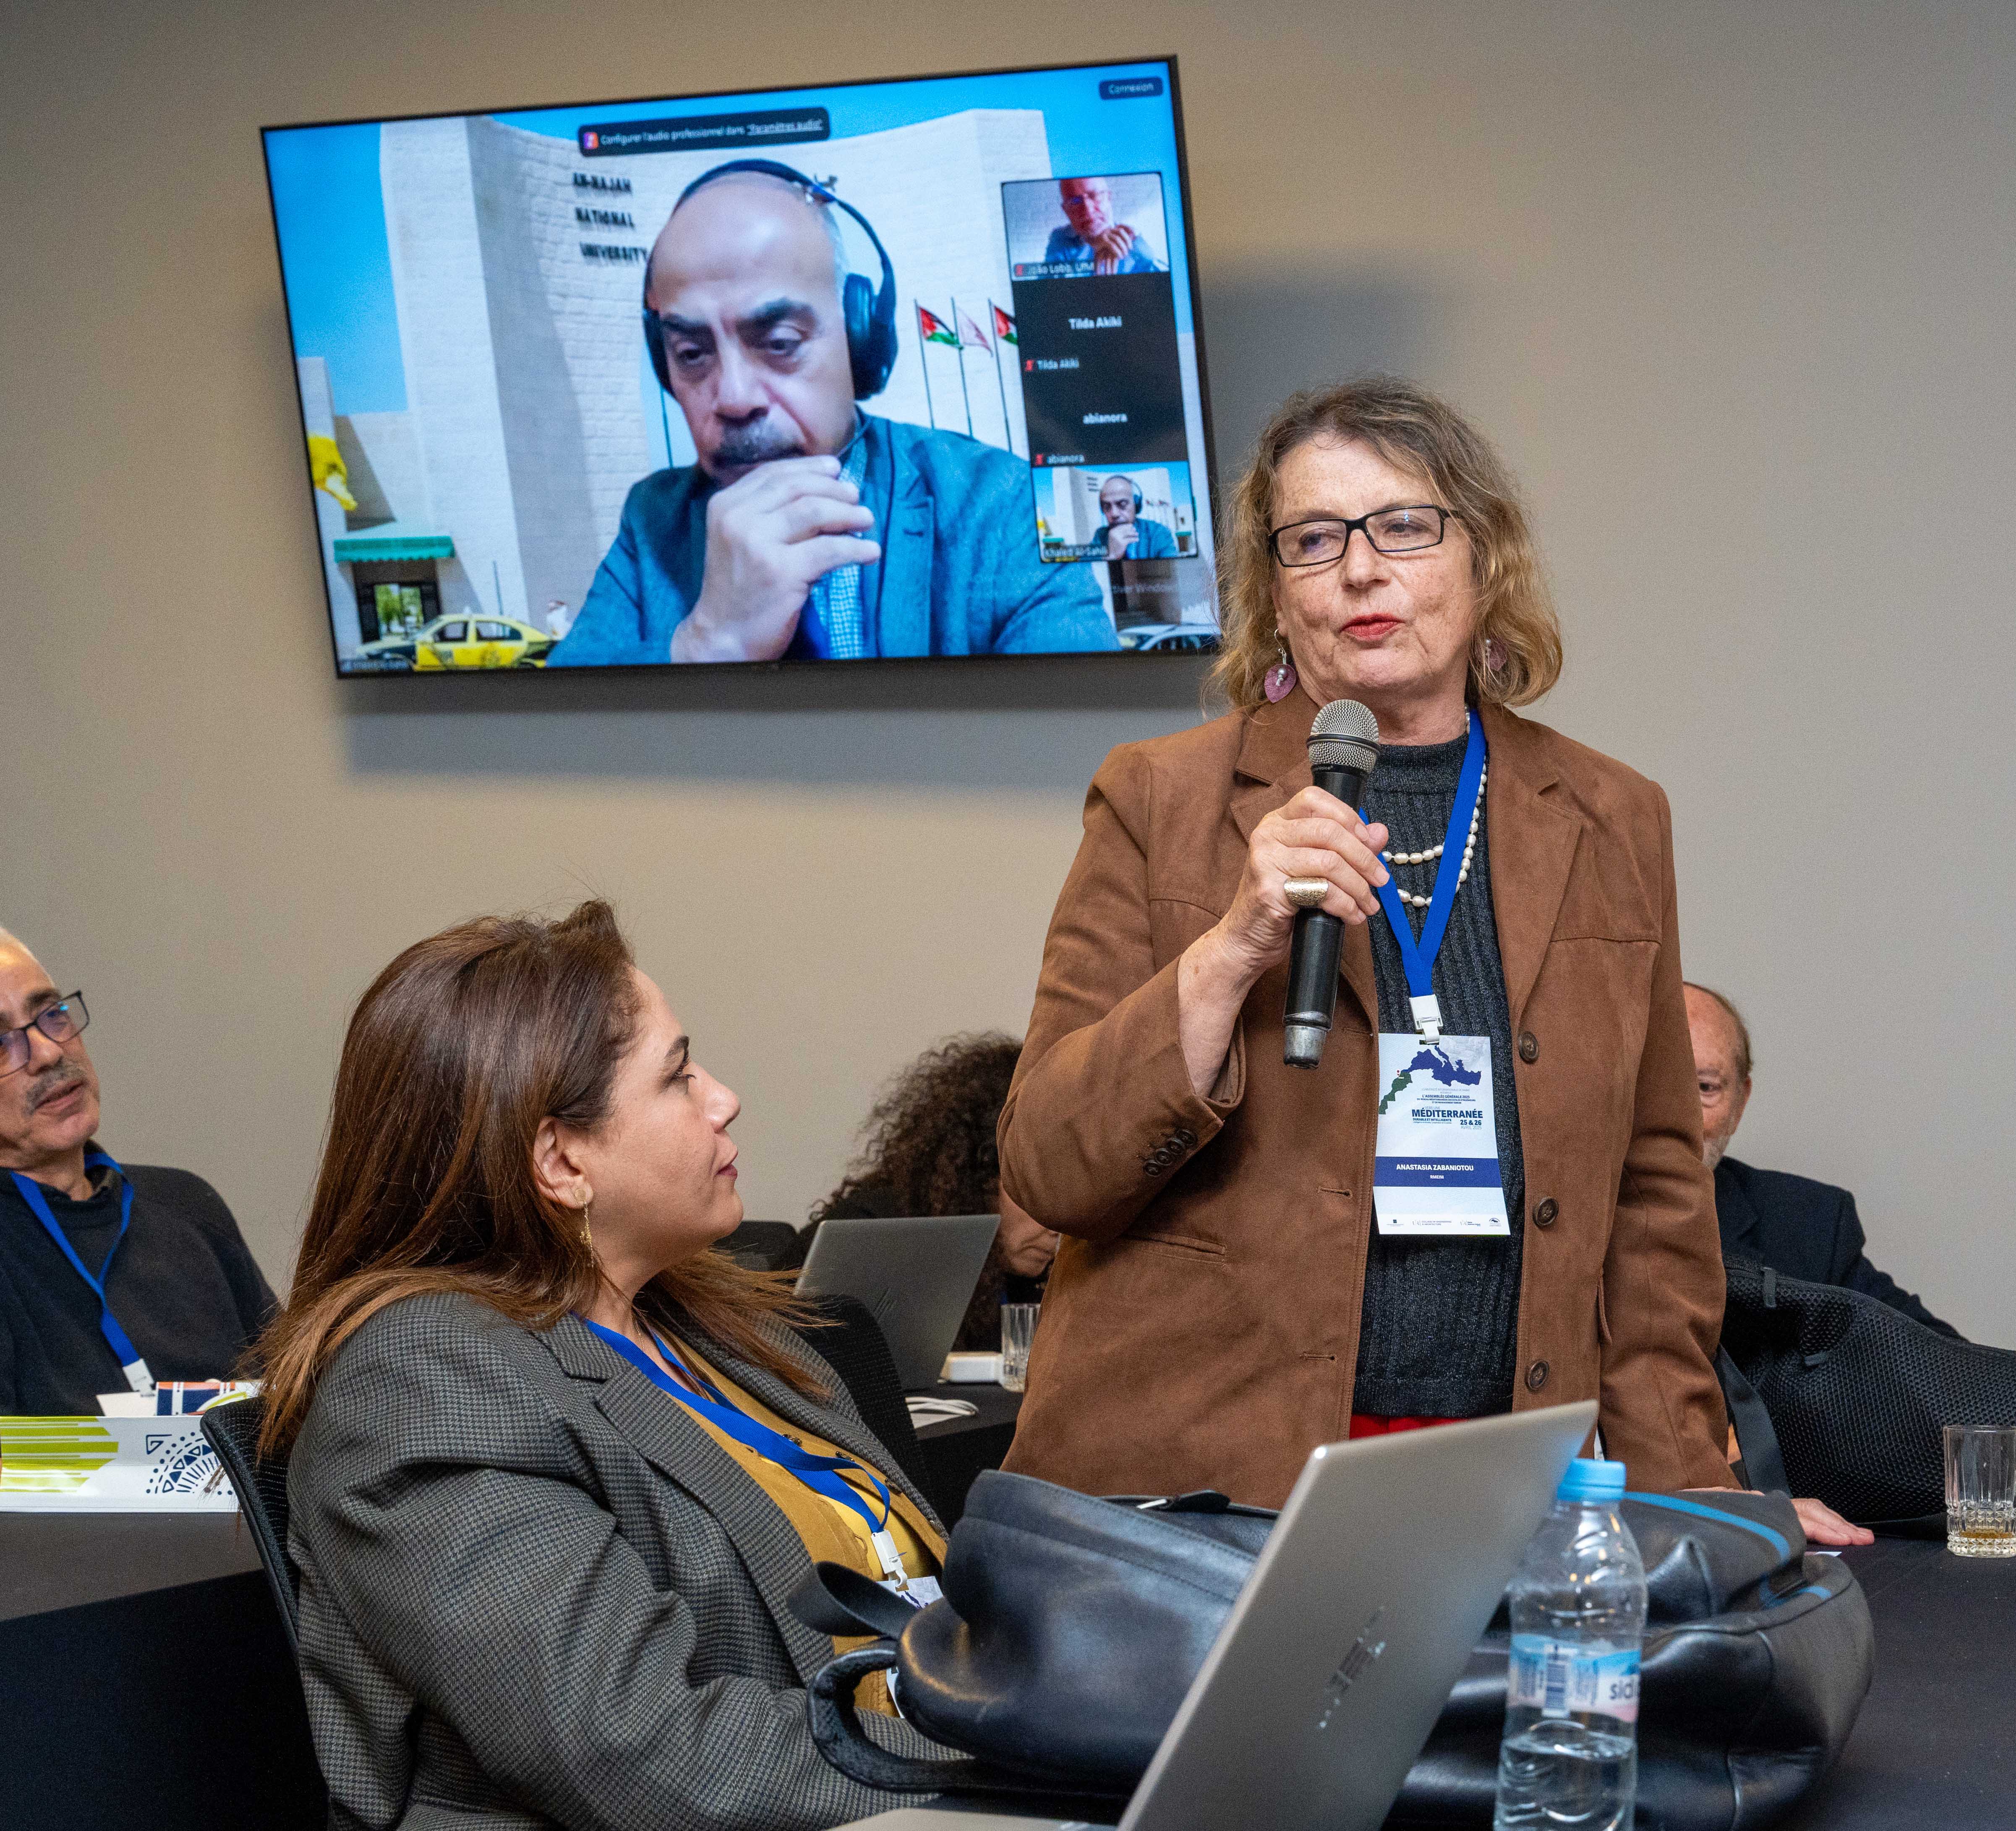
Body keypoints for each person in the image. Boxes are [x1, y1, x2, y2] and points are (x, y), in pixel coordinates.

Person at [998, 376, 1868, 1545]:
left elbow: (1656, 1198)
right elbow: (1049, 1172)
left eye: (1404, 526)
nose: (1361, 571)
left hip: (1497, 1478)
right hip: (1198, 1489)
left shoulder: (1612, 815)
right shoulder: (1160, 799)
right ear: (1275, 590)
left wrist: (1693, 1506)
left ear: (1484, 559)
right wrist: (1232, 946)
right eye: (1314, 539)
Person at [257, 903, 950, 1831]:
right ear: (560, 1161)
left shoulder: (712, 1321)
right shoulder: (423, 1384)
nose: (723, 1098)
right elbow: (640, 1748)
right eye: (678, 1077)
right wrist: (1006, 1757)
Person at [557, 163, 1112, 666]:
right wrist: (706, 645)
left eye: (779, 342)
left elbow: (1084, 728)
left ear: (859, 339)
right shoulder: (651, 523)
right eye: (691, 355)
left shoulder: (1002, 502)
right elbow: (555, 732)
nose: (734, 398)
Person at [0, 926, 277, 1413]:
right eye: (1, 1043)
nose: (49, 1052)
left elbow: (302, 1402)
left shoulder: (186, 1202)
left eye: (52, 1014)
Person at [1687, 982, 1960, 1337]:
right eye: (1654, 1081)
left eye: (1705, 1087)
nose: (1679, 1115)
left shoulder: (1808, 1227)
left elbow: (1943, 1360)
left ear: (1739, 1104)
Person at [816, 1032, 1058, 1353]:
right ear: (975, 1176)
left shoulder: (1023, 1280)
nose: (1056, 1224)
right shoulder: (873, 1231)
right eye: (1035, 1189)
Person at [1042, 175, 1166, 275]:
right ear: (1066, 210)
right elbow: (1050, 288)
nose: (1088, 210)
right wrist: (1092, 241)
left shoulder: (1135, 241)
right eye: (1075, 201)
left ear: (1109, 198)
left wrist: (1139, 249)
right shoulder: (1060, 238)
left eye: (1094, 196)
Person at [1098, 474, 1181, 560]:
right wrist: (1112, 557)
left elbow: (1171, 567)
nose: (1114, 514)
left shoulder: (1159, 532)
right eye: (1107, 506)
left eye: (1122, 504)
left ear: (1136, 505)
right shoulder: (1100, 536)